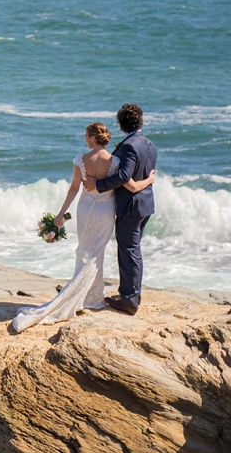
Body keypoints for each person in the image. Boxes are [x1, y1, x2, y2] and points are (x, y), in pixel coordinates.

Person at [10, 122, 155, 333]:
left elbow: (73, 189)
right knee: (96, 252)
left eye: (87, 136)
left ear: (93, 138)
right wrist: (150, 179)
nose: (85, 139)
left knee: (84, 250)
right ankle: (92, 298)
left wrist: (61, 214)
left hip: (85, 209)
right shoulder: (115, 161)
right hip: (106, 210)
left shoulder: (81, 160)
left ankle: (90, 296)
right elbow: (131, 186)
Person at [92, 103, 157, 316]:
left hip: (131, 205)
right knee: (134, 250)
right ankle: (133, 294)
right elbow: (146, 172)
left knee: (128, 251)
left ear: (121, 124)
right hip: (145, 204)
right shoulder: (149, 144)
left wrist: (98, 185)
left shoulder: (129, 146)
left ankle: (129, 299)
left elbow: (123, 176)